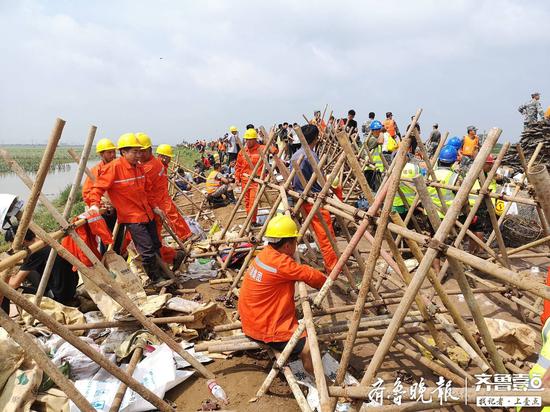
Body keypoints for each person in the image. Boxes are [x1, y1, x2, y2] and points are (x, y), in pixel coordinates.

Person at [238, 214, 326, 375]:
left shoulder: (266, 254)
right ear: (286, 245)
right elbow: (313, 277)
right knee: (309, 347)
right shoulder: (281, 264)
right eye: (295, 242)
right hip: (265, 329)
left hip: (251, 320)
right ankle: (321, 383)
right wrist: (327, 280)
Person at [89, 133, 165, 282]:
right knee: (147, 250)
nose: (139, 155)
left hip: (147, 214)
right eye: (135, 152)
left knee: (156, 244)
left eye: (140, 151)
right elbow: (97, 188)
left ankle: (163, 272)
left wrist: (155, 207)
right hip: (132, 218)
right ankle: (156, 279)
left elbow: (147, 191)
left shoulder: (139, 168)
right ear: (123, 152)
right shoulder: (114, 168)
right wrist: (94, 205)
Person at [290, 124, 338, 272]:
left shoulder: (295, 154)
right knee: (326, 236)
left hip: (301, 197)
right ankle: (333, 266)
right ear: (316, 138)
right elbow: (320, 178)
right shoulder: (311, 155)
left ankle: (333, 262)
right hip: (313, 199)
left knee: (321, 234)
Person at [1, 228, 78, 313]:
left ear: (21, 241)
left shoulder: (34, 252)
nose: (11, 248)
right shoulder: (44, 241)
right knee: (26, 272)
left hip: (59, 296)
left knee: (4, 289)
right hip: (70, 288)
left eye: (11, 244)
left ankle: (3, 321)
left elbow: (13, 285)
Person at [81, 138, 122, 253]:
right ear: (101, 154)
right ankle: (107, 260)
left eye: (114, 151)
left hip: (121, 209)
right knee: (107, 238)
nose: (113, 155)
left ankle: (119, 257)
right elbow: (87, 193)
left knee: (120, 238)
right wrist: (101, 202)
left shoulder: (119, 167)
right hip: (106, 211)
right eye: (109, 152)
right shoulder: (95, 171)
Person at [155, 143, 194, 243]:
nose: (170, 159)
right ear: (162, 156)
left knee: (172, 216)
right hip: (159, 198)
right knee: (172, 216)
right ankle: (185, 236)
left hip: (163, 196)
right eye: (168, 157)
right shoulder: (156, 166)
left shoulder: (163, 166)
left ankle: (185, 235)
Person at [235, 128, 266, 225]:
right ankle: (250, 220)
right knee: (247, 202)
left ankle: (252, 221)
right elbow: (238, 166)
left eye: (249, 139)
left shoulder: (262, 149)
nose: (247, 141)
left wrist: (269, 143)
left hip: (256, 181)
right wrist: (237, 178)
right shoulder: (243, 152)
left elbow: (274, 150)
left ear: (254, 139)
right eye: (246, 139)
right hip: (245, 180)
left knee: (253, 201)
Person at [363, 120, 385, 192]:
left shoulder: (376, 138)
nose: (378, 131)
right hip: (371, 169)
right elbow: (381, 141)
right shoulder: (372, 139)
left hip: (376, 169)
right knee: (374, 191)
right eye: (377, 130)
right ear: (373, 131)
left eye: (379, 130)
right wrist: (382, 132)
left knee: (377, 190)